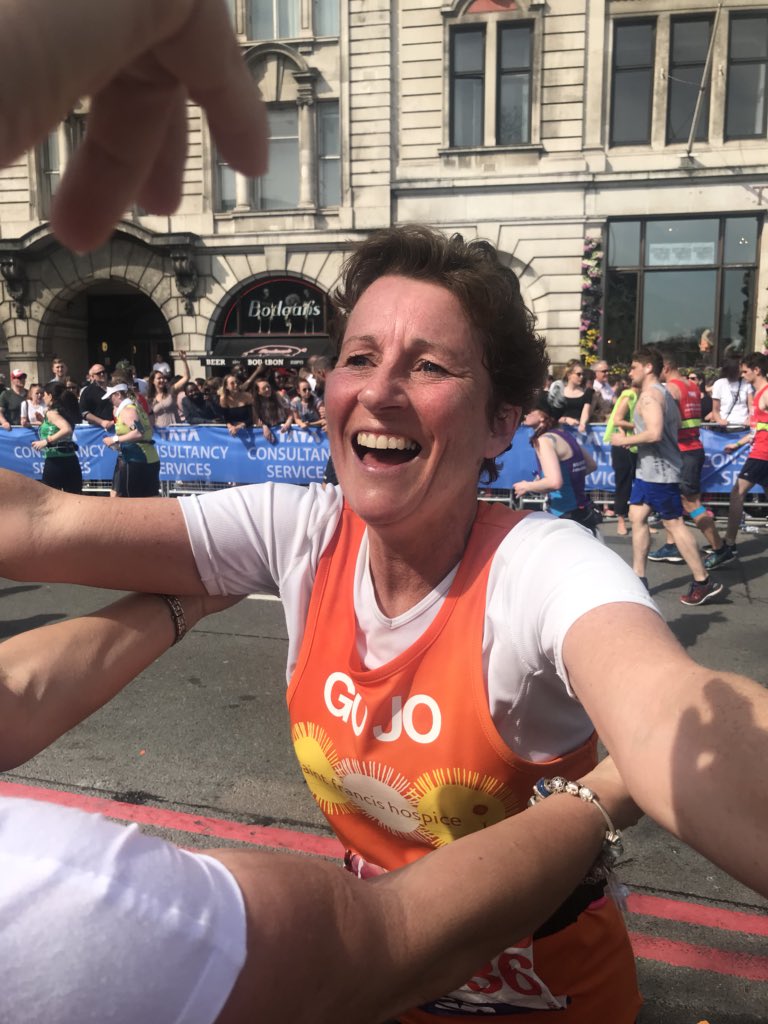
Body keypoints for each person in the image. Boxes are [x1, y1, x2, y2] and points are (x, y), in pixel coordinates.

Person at [1, 6, 767, 1017]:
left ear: (501, 422)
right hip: (372, 982)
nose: (379, 387)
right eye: (359, 355)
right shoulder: (297, 527)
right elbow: (41, 528)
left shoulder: (543, 564)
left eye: (430, 364)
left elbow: (674, 714)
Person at [0, 587, 637, 1024]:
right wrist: (601, 796)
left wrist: (189, 594)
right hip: (427, 950)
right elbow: (381, 937)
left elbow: (16, 690)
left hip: (561, 974)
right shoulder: (50, 892)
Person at [610, 347, 723, 604]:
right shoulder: (663, 393)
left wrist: (623, 439)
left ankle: (703, 581)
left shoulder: (651, 396)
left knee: (674, 523)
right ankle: (638, 577)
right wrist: (636, 435)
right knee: (636, 515)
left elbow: (655, 433)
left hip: (660, 471)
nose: (630, 373)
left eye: (633, 367)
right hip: (649, 469)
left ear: (648, 367)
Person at [648, 350, 727, 566]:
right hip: (693, 448)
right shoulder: (692, 386)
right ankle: (673, 545)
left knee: (692, 504)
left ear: (665, 368)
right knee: (675, 501)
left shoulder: (671, 389)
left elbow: (666, 422)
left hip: (683, 451)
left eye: (658, 370)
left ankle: (720, 548)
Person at [705, 353, 768, 569]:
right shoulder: (759, 393)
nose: (742, 375)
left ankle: (729, 545)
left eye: (744, 371)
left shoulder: (766, 393)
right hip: (759, 450)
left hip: (763, 454)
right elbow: (757, 428)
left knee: (736, 493)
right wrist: (738, 444)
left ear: (756, 370)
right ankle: (728, 544)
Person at [513, 398, 601, 535]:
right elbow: (591, 465)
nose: (525, 412)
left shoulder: (544, 440)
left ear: (542, 415)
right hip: (582, 511)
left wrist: (527, 486)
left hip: (563, 515)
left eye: (530, 409)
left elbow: (554, 482)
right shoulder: (565, 434)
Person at [102, 379, 160, 497]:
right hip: (148, 457)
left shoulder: (127, 410)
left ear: (118, 394)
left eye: (110, 397)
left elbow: (138, 433)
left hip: (137, 460)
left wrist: (114, 439)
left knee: (129, 501)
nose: (110, 401)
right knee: (151, 499)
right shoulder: (136, 406)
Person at [30, 382, 83, 494]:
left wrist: (46, 441)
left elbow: (66, 429)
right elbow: (58, 427)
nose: (43, 397)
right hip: (71, 461)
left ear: (50, 395)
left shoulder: (52, 413)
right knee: (74, 498)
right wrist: (42, 422)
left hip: (55, 462)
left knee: (49, 499)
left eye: (44, 394)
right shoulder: (64, 411)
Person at [602, 383, 639, 536]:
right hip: (622, 446)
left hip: (637, 444)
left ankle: (639, 521)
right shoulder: (630, 395)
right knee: (623, 484)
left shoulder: (643, 396)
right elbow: (617, 419)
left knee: (641, 485)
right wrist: (638, 426)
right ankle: (621, 520)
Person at [547, 360, 592, 433]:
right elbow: (552, 415)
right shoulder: (558, 391)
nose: (581, 377)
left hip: (577, 430)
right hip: (559, 430)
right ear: (569, 375)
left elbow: (586, 411)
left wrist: (582, 424)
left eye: (582, 374)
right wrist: (566, 419)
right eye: (578, 374)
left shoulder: (587, 392)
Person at [147, 352, 191, 426]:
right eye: (159, 378)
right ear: (152, 381)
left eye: (163, 378)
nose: (162, 380)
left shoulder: (171, 390)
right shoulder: (150, 398)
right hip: (160, 433)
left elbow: (186, 377)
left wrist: (184, 361)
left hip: (175, 431)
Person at [712, 357, 752, 429]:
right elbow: (715, 410)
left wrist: (750, 418)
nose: (742, 373)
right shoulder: (719, 383)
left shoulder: (746, 383)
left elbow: (751, 406)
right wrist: (719, 420)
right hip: (726, 427)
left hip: (743, 426)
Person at [79, 363, 114, 430]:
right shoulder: (87, 391)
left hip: (117, 425)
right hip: (98, 428)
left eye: (103, 372)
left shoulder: (115, 387)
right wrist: (101, 422)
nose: (102, 374)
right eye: (98, 373)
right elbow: (84, 412)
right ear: (92, 377)